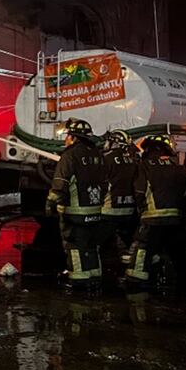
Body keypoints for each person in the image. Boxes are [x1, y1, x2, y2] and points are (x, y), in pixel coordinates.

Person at [125, 134, 186, 286]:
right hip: (175, 220)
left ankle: (136, 286)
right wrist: (183, 206)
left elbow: (139, 192)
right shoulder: (178, 167)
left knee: (143, 252)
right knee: (180, 253)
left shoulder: (144, 166)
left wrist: (142, 210)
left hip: (151, 220)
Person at [46, 118, 107, 284]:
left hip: (75, 212)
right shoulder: (97, 155)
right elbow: (105, 183)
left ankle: (79, 281)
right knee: (91, 245)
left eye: (68, 136)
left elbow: (60, 184)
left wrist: (50, 204)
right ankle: (95, 276)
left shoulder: (69, 155)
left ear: (73, 137)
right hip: (95, 211)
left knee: (74, 246)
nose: (66, 140)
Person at [102, 129, 140, 267]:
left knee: (98, 243)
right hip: (129, 210)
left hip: (109, 210)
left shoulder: (106, 159)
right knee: (131, 242)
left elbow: (100, 183)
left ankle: (108, 269)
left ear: (113, 142)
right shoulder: (133, 161)